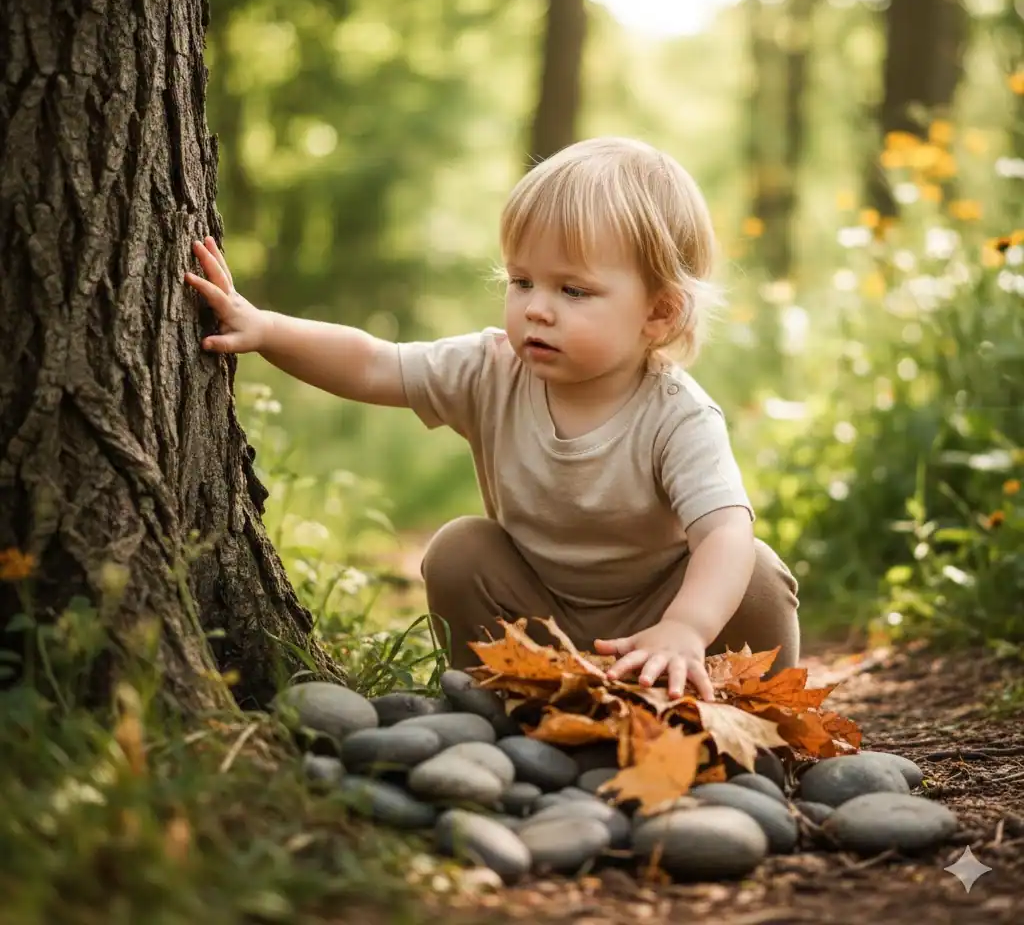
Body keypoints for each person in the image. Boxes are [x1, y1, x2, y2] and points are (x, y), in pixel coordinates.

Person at [185, 136, 800, 703]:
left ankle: (749, 714)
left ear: (658, 314)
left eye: (573, 291)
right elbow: (375, 364)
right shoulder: (491, 369)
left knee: (760, 576)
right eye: (522, 280)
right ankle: (499, 700)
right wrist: (265, 328)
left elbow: (723, 530)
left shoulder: (677, 416)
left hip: (667, 619)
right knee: (460, 550)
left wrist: (686, 627)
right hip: (538, 617)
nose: (537, 308)